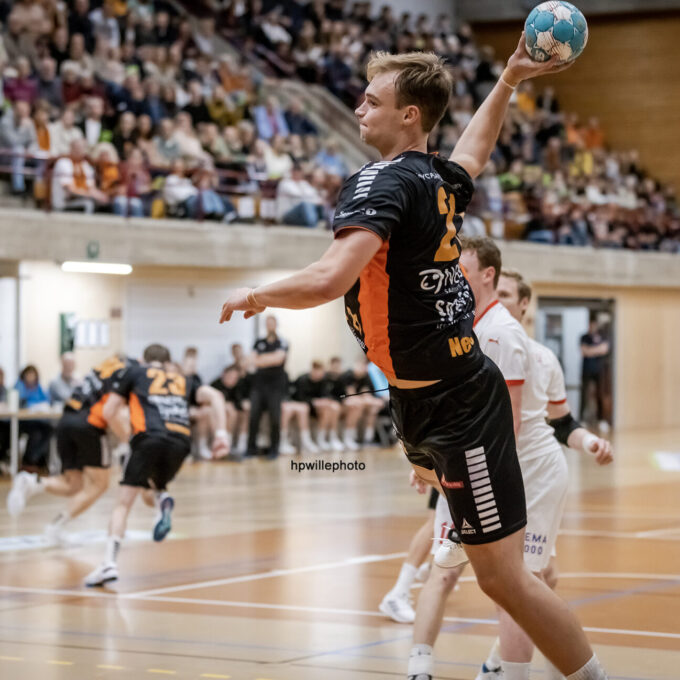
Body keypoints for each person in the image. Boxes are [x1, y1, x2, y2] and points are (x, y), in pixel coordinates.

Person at [219, 42, 609, 680]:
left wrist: (257, 295)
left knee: (504, 579)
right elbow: (473, 154)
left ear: (409, 115)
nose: (358, 108)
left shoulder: (381, 181)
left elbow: (329, 278)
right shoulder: (434, 176)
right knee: (478, 556)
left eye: (371, 100)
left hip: (459, 405)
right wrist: (509, 79)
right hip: (418, 400)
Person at [412, 254, 613, 680]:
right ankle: (424, 665)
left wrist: (590, 442)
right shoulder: (465, 338)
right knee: (461, 573)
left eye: (506, 293)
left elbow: (553, 423)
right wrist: (425, 458)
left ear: (522, 304)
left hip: (520, 473)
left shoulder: (524, 349)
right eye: (497, 292)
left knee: (520, 582)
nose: (497, 298)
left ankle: (509, 668)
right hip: (471, 467)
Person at [84, 344, 229, 586]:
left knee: (123, 504)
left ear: (143, 360)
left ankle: (108, 563)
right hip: (181, 442)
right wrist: (221, 434)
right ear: (168, 362)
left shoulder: (134, 372)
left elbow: (109, 411)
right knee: (151, 487)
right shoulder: (182, 379)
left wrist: (127, 438)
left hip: (148, 438)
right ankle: (162, 499)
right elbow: (216, 396)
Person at [6, 356, 133, 543]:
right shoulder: (128, 375)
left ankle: (31, 482)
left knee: (74, 484)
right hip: (90, 425)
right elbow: (112, 413)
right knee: (99, 484)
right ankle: (56, 527)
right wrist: (128, 441)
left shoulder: (101, 368)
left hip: (66, 421)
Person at [379, 478, 438, 623]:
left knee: (452, 525)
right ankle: (398, 594)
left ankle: (432, 569)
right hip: (449, 473)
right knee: (436, 523)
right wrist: (423, 469)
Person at [246, 316, 288, 459]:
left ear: (276, 325)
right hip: (258, 385)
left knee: (275, 418)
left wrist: (261, 359)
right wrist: (268, 359)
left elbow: (278, 359)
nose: (270, 325)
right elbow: (252, 360)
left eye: (272, 323)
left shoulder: (282, 342)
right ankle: (250, 449)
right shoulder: (259, 342)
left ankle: (274, 449)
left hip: (275, 386)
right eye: (267, 323)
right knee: (253, 417)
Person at [15, 365, 53, 469]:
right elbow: (21, 402)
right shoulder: (20, 385)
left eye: (33, 375)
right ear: (24, 375)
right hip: (23, 420)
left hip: (37, 419)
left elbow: (46, 400)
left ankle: (35, 459)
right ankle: (28, 460)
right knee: (36, 433)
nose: (31, 377)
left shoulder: (38, 386)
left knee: (49, 430)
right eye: (29, 374)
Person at [580, 315, 610, 432]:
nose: (592, 326)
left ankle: (601, 420)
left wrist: (590, 350)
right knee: (584, 395)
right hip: (586, 370)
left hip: (599, 371)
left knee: (600, 395)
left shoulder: (603, 337)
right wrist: (597, 350)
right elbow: (584, 351)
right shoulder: (584, 337)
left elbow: (604, 349)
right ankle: (582, 419)